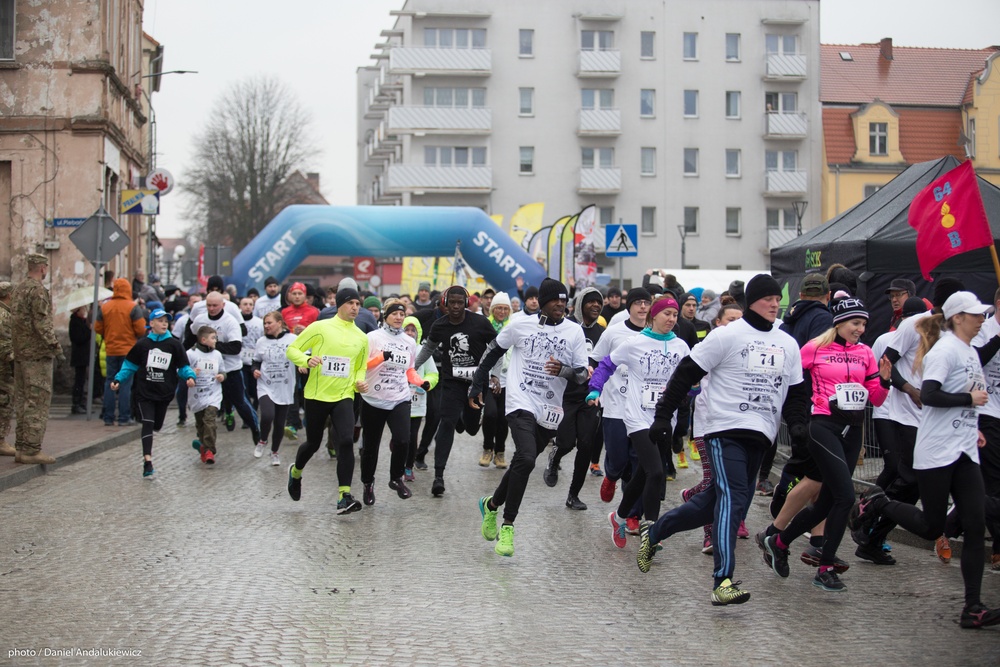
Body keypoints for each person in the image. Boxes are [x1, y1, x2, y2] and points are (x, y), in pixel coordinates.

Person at [636, 274, 810, 607]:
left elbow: (797, 393)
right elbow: (686, 372)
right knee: (732, 498)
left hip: (761, 434)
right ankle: (723, 579)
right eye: (768, 299)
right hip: (723, 427)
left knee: (718, 504)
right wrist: (663, 416)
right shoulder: (727, 336)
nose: (775, 304)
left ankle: (655, 532)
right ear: (752, 302)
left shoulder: (787, 343)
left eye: (778, 299)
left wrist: (800, 427)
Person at [851, 291, 1000, 629]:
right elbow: (930, 395)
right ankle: (879, 503)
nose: (981, 321)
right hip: (936, 451)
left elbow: (967, 399)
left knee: (974, 525)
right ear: (958, 317)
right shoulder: (944, 349)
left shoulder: (969, 352)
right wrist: (969, 397)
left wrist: (973, 423)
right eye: (975, 315)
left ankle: (972, 607)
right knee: (932, 527)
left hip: (964, 450)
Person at [757, 297, 890, 592]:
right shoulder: (814, 348)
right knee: (845, 497)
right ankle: (825, 567)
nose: (860, 329)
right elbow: (789, 378)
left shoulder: (865, 353)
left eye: (864, 324)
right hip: (823, 426)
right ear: (839, 323)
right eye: (856, 323)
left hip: (853, 429)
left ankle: (778, 541)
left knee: (828, 501)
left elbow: (877, 398)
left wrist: (885, 380)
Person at [471, 278, 589, 557]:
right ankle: (508, 526)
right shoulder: (520, 325)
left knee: (522, 463)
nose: (561, 304)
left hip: (550, 408)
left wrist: (565, 371)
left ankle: (491, 504)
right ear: (543, 302)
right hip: (520, 400)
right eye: (555, 300)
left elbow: (583, 375)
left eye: (564, 300)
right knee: (525, 457)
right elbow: (492, 352)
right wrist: (477, 383)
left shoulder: (574, 332)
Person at [590, 296, 690, 543]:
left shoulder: (681, 347)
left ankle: (620, 516)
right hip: (637, 417)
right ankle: (651, 535)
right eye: (666, 313)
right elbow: (606, 364)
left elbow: (691, 380)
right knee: (656, 472)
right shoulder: (634, 343)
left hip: (666, 418)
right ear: (653, 316)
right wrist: (595, 388)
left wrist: (693, 390)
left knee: (645, 473)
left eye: (675, 315)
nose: (671, 319)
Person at [286, 287, 369, 514]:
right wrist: (307, 359)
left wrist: (360, 382)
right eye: (350, 303)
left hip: (344, 395)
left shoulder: (361, 337)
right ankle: (296, 473)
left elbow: (360, 368)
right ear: (339, 304)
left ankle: (344, 496)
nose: (355, 307)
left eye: (357, 304)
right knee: (312, 443)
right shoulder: (320, 328)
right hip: (316, 395)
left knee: (345, 440)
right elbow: (292, 349)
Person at [413, 286, 497, 497]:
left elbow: (497, 347)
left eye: (460, 303)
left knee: (470, 428)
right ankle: (438, 476)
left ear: (466, 303)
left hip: (477, 385)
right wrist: (412, 367)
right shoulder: (440, 325)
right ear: (445, 303)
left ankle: (464, 417)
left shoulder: (480, 323)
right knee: (446, 421)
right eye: (453, 303)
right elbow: (428, 349)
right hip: (451, 383)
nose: (457, 307)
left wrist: (495, 374)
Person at [682, 302, 743, 555]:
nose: (736, 325)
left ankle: (692, 496)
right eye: (730, 319)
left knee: (728, 483)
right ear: (717, 322)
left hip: (736, 426)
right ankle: (710, 536)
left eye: (740, 320)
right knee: (712, 482)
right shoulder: (708, 346)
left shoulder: (747, 349)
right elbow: (687, 378)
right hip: (707, 425)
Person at [110, 309, 196, 478]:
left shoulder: (174, 344)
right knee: (147, 423)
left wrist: (190, 376)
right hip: (144, 392)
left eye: (166, 321)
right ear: (151, 324)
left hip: (164, 393)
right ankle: (147, 461)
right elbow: (129, 366)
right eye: (160, 320)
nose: (164, 323)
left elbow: (183, 366)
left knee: (157, 425)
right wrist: (118, 380)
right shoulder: (142, 345)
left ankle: (148, 456)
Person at [360, 299, 427, 504]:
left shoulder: (409, 342)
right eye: (394, 314)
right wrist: (381, 357)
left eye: (402, 314)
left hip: (400, 397)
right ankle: (368, 483)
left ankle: (396, 478)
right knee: (370, 446)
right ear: (385, 315)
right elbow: (362, 365)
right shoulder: (373, 338)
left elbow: (409, 370)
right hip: (374, 398)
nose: (399, 318)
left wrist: (421, 382)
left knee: (403, 440)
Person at [545, 286, 605, 509]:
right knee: (567, 442)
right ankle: (555, 457)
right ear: (580, 304)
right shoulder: (567, 327)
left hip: (590, 397)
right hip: (566, 395)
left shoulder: (602, 333)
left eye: (599, 302)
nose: (596, 306)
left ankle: (573, 495)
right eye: (591, 302)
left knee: (587, 445)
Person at [591, 288, 651, 509]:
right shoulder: (613, 333)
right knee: (618, 459)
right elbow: (596, 360)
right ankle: (611, 475)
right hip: (616, 404)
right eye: (638, 303)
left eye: (646, 302)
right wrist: (594, 386)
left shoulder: (655, 333)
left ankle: (632, 513)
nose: (643, 307)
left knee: (638, 461)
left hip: (643, 410)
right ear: (630, 307)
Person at [187, 292, 260, 445]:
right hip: (206, 371)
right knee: (203, 404)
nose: (212, 308)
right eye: (209, 305)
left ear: (223, 305)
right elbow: (191, 338)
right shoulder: (200, 320)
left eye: (215, 305)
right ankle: (203, 440)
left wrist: (213, 345)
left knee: (240, 402)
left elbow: (235, 347)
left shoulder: (230, 321)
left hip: (230, 369)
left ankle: (255, 429)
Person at [10, 254, 62, 465]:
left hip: (21, 354)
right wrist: (55, 346)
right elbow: (42, 323)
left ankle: (21, 447)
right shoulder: (37, 290)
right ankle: (31, 450)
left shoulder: (19, 289)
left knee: (23, 402)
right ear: (42, 268)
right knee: (37, 402)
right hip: (37, 355)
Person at [95, 277, 147, 426]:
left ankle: (108, 417)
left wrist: (109, 333)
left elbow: (98, 327)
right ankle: (124, 417)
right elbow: (141, 329)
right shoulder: (132, 307)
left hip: (111, 349)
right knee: (125, 384)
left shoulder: (105, 307)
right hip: (128, 351)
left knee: (110, 382)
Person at [252, 311, 298, 466]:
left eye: (269, 323)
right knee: (267, 415)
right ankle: (262, 440)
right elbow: (256, 361)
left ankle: (274, 452)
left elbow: (303, 355)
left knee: (279, 423)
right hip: (266, 384)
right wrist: (255, 370)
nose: (266, 326)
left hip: (284, 386)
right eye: (264, 323)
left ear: (279, 323)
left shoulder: (292, 339)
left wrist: (304, 365)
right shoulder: (261, 342)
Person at [402, 315, 439, 482]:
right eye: (407, 329)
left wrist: (427, 382)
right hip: (397, 399)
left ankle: (408, 466)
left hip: (417, 399)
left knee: (412, 435)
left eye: (413, 330)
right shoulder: (396, 348)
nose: (410, 333)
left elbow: (433, 373)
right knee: (400, 436)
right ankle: (398, 457)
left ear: (419, 333)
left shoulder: (422, 351)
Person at [480, 292, 512, 469]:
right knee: (490, 414)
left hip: (508, 379)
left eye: (505, 308)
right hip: (488, 377)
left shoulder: (513, 326)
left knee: (503, 418)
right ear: (492, 309)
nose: (502, 311)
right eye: (499, 308)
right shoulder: (486, 325)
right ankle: (487, 448)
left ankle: (500, 452)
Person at [187, 326, 226, 464]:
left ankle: (209, 450)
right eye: (213, 338)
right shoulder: (191, 354)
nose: (216, 340)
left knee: (210, 421)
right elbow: (182, 370)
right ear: (204, 339)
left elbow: (223, 371)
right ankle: (203, 446)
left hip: (213, 393)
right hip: (197, 394)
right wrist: (191, 375)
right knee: (201, 424)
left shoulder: (217, 355)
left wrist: (222, 376)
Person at [239, 296, 264, 413]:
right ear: (240, 306)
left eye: (250, 304)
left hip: (255, 360)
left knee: (256, 390)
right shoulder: (236, 322)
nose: (248, 307)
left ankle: (254, 408)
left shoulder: (259, 323)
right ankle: (249, 411)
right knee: (245, 389)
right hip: (241, 361)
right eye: (245, 304)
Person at [69, 305, 91, 415]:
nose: (85, 311)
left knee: (82, 380)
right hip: (79, 356)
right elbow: (78, 338)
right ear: (78, 311)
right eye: (83, 309)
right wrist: (89, 332)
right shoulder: (75, 322)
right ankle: (76, 403)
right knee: (79, 380)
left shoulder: (82, 321)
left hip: (84, 355)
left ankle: (82, 403)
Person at [0, 282, 13, 456]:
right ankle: (1, 440)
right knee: (5, 403)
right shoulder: (4, 316)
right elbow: (5, 344)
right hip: (4, 369)